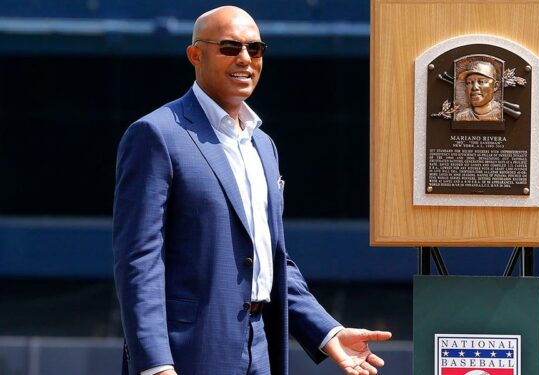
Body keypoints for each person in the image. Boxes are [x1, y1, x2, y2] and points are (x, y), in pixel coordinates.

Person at [113, 6, 391, 375]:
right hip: (188, 354)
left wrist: (327, 332)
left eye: (255, 49)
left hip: (260, 349)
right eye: (229, 47)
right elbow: (139, 261)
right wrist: (155, 364)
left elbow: (272, 260)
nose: (245, 58)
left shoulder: (263, 144)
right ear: (195, 55)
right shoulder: (156, 134)